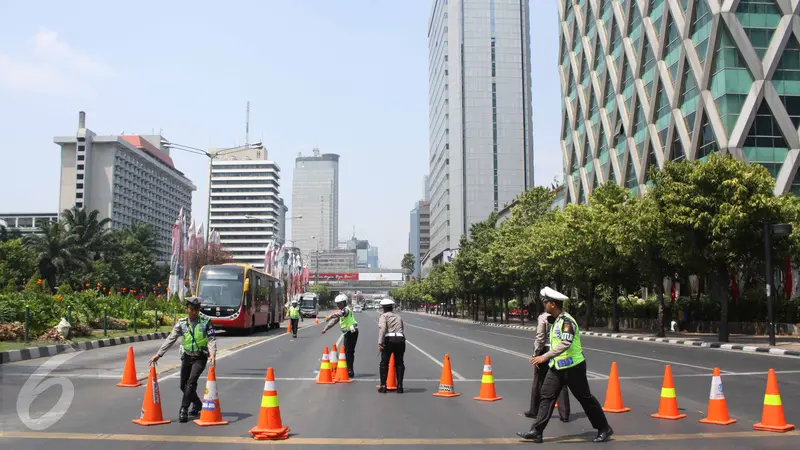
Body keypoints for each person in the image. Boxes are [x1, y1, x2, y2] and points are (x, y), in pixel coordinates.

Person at [516, 287, 613, 444]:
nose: (544, 305)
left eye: (546, 302)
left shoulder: (567, 321)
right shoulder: (555, 321)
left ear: (553, 304)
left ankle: (604, 428)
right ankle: (537, 431)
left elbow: (565, 343)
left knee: (585, 398)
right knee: (546, 397)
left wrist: (544, 357)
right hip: (557, 367)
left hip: (573, 367)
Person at [149, 297, 217, 423]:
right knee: (183, 385)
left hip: (200, 357)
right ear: (187, 309)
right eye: (192, 309)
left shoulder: (206, 322)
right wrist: (159, 354)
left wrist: (212, 354)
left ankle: (183, 409)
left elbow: (211, 339)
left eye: (197, 309)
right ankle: (197, 404)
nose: (194, 312)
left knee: (191, 383)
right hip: (187, 357)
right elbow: (171, 338)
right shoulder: (182, 323)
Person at [525, 309, 570, 421]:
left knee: (539, 380)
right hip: (559, 351)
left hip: (545, 350)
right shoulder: (565, 317)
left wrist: (536, 353)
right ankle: (564, 414)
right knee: (561, 381)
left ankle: (534, 410)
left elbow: (540, 337)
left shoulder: (543, 317)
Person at [321, 294, 358, 378]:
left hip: (352, 332)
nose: (339, 305)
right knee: (346, 351)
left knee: (349, 352)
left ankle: (350, 370)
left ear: (345, 303)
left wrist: (330, 316)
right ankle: (347, 369)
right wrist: (325, 328)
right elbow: (334, 321)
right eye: (337, 304)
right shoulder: (341, 312)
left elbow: (340, 314)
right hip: (348, 333)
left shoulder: (346, 310)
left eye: (340, 303)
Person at [377, 298, 405, 393]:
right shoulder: (398, 317)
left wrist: (380, 343)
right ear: (392, 307)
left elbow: (382, 328)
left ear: (383, 308)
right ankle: (400, 386)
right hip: (400, 340)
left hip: (389, 340)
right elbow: (402, 328)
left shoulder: (383, 316)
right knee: (399, 363)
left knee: (384, 363)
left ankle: (383, 386)